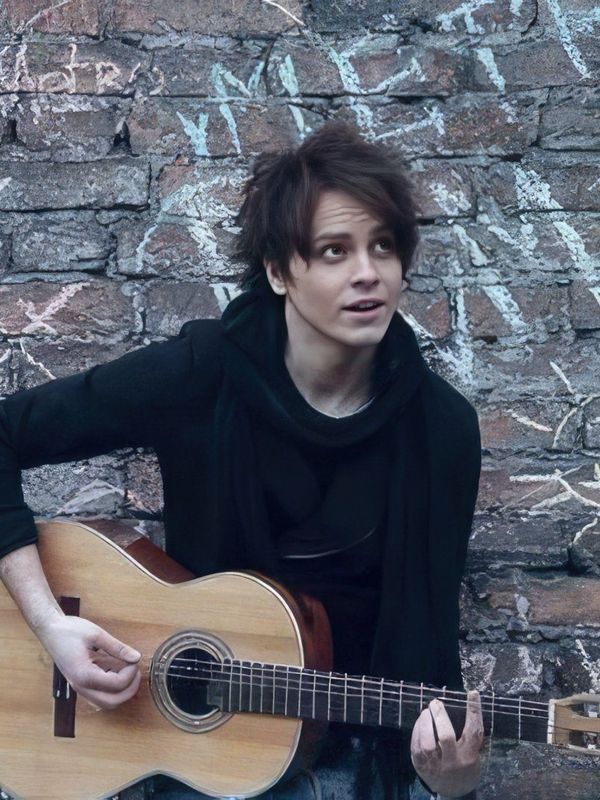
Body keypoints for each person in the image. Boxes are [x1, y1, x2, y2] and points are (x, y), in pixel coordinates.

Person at [0, 120, 483, 799]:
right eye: (335, 250)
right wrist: (50, 623)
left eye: (384, 246)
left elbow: (431, 644)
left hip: (354, 761)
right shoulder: (202, 375)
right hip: (194, 749)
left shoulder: (441, 429)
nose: (368, 272)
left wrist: (451, 782)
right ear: (279, 271)